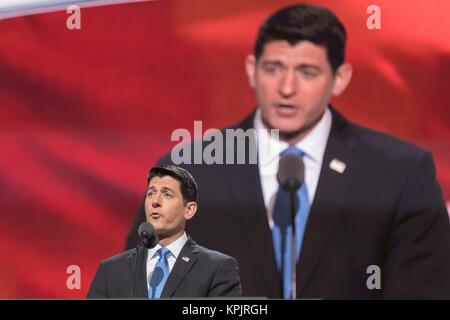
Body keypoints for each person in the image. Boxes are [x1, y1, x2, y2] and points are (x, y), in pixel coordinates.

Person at [126, 4, 450, 299]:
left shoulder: (399, 173)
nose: (287, 88)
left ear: (340, 78)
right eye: (274, 68)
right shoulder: (188, 171)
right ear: (252, 69)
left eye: (307, 73)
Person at [88, 165, 242, 298]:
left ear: (189, 210)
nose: (155, 201)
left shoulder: (217, 268)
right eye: (151, 193)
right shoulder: (111, 270)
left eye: (167, 194)